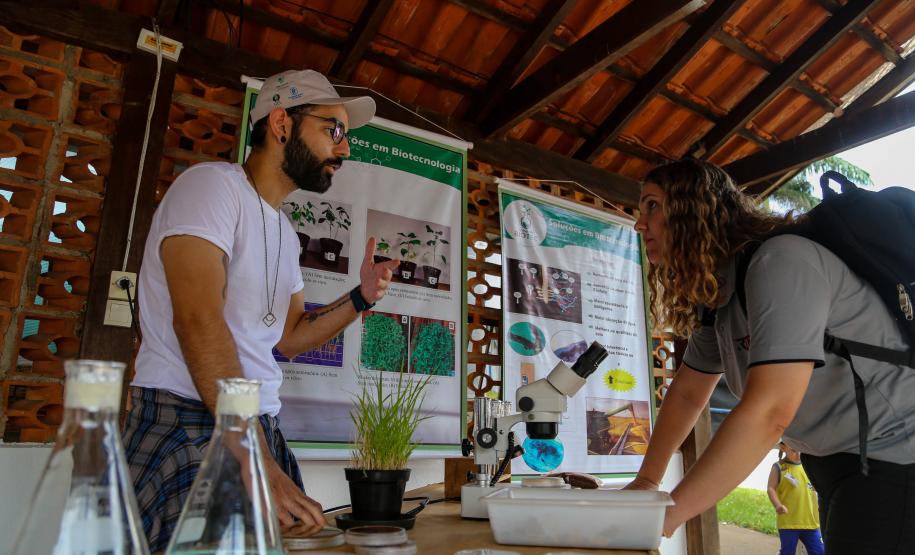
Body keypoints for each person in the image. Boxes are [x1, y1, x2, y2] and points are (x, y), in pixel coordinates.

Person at [123, 69, 400, 551]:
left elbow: (289, 337)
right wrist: (252, 457)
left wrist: (361, 298)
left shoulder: (285, 231)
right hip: (191, 421)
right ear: (281, 124)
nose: (345, 149)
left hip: (258, 429)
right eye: (333, 130)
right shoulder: (211, 187)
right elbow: (197, 319)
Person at [626, 158, 915, 554]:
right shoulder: (721, 296)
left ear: (694, 210)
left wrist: (664, 517)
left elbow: (769, 411)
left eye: (653, 205)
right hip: (836, 460)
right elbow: (689, 392)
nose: (640, 223)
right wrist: (647, 483)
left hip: (897, 453)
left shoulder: (781, 262)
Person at [767, 441, 823, 555]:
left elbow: (819, 487)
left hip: (810, 522)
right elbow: (770, 488)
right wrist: (777, 505)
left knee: (820, 552)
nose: (798, 454)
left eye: (801, 450)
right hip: (789, 522)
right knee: (787, 552)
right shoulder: (778, 467)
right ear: (783, 447)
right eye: (793, 450)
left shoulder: (809, 467)